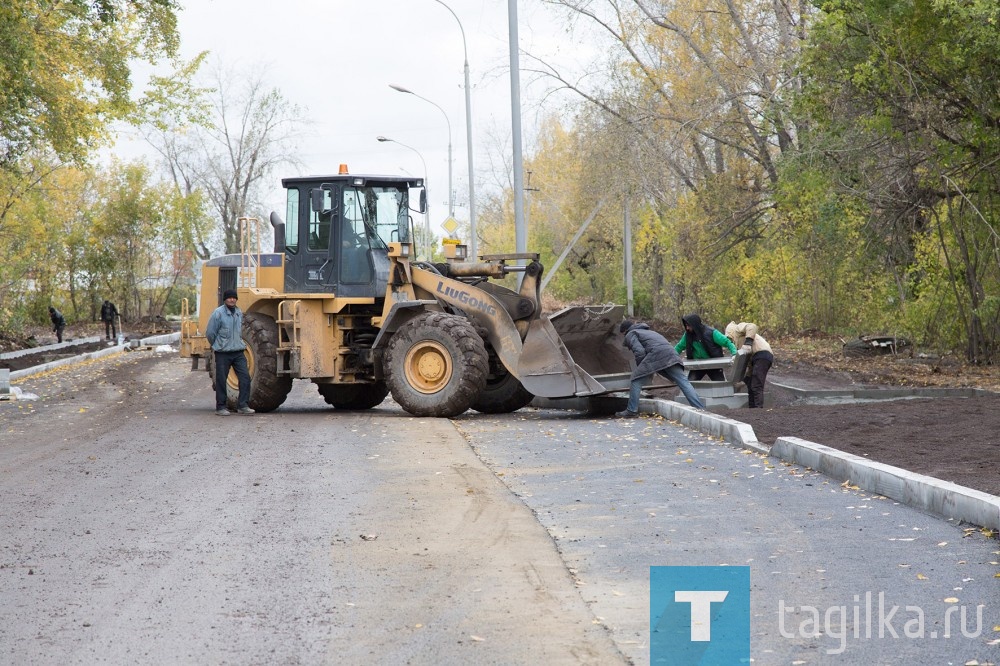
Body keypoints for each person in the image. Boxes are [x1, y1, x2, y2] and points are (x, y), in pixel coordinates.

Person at [616, 319, 706, 417]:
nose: (624, 337)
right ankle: (700, 409)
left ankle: (631, 411)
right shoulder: (648, 331)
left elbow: (640, 352)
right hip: (672, 355)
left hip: (658, 355)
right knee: (683, 382)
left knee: (635, 380)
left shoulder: (631, 334)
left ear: (625, 331)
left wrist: (642, 369)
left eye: (623, 334)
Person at [205, 289, 253, 415]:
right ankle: (221, 407)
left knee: (245, 378)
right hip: (223, 352)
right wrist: (217, 345)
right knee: (221, 379)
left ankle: (243, 405)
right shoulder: (218, 313)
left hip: (238, 351)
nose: (232, 299)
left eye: (234, 297)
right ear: (225, 299)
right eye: (229, 297)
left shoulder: (238, 312)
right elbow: (210, 333)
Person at [725, 321, 774, 408]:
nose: (730, 341)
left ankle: (758, 410)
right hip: (759, 357)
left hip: (762, 353)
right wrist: (744, 381)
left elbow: (752, 326)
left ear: (730, 333)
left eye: (729, 338)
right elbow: (751, 368)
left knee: (756, 385)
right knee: (751, 385)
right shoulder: (739, 342)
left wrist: (748, 343)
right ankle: (752, 410)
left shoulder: (737, 329)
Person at [675, 313, 737, 381]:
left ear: (694, 325)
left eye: (689, 326)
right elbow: (679, 347)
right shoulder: (687, 336)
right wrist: (671, 357)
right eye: (686, 326)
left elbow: (727, 342)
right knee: (690, 385)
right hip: (697, 365)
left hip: (714, 365)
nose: (687, 328)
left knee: (720, 384)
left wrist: (734, 353)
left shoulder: (711, 333)